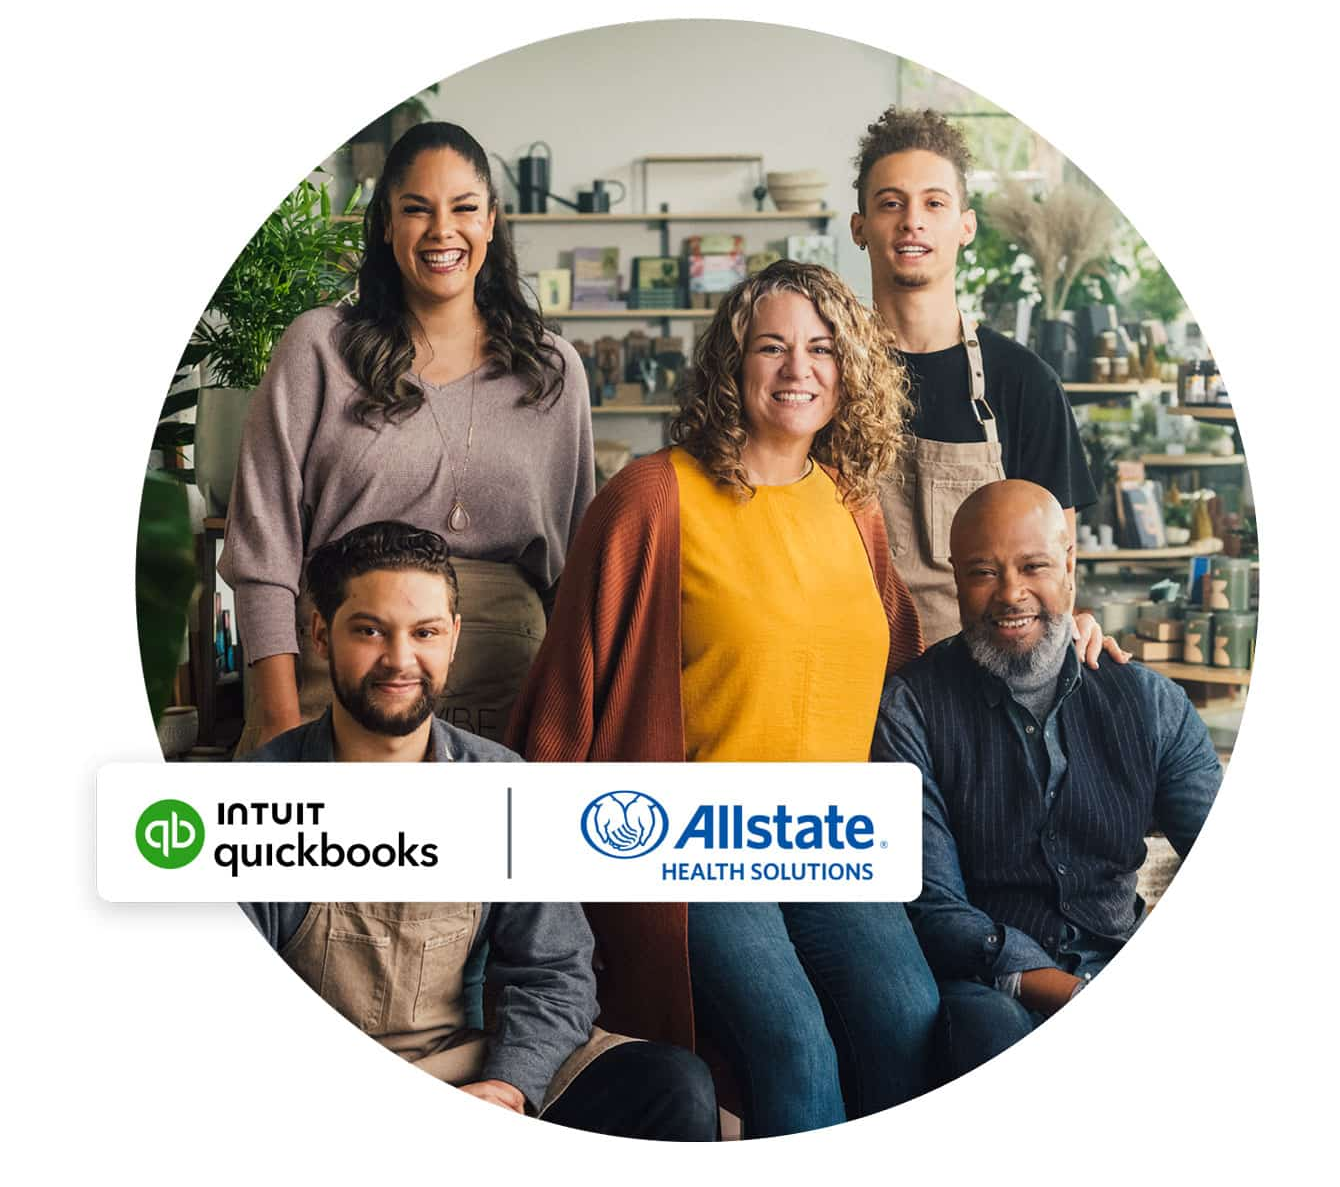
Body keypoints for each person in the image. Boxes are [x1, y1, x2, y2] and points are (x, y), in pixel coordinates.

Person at [509, 261, 939, 1137]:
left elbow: (903, 674)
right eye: (771, 346)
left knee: (910, 1015)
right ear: (730, 364)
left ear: (849, 367)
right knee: (793, 1041)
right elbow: (569, 684)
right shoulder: (652, 496)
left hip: (830, 832)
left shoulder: (853, 510)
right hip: (697, 833)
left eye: (820, 348)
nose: (797, 369)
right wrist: (537, 865)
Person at [242, 520, 717, 1140]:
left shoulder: (500, 782)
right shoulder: (258, 797)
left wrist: (508, 1084)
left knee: (670, 1087)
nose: (400, 660)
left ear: (454, 639)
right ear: (320, 636)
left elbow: (554, 970)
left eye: (425, 633)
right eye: (369, 631)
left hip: (463, 1063)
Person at [220, 120, 594, 754]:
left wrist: (570, 730)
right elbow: (264, 547)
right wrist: (280, 717)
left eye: (464, 209)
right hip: (333, 682)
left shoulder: (552, 370)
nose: (442, 230)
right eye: (416, 209)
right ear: (386, 225)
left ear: (492, 221)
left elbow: (578, 576)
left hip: (509, 691)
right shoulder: (320, 349)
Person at [871, 480, 1221, 1084]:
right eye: (984, 572)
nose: (1011, 594)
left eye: (1033, 566)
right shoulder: (912, 707)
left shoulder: (1150, 703)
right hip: (986, 987)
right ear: (955, 578)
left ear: (1069, 568)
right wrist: (1073, 996)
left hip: (1118, 959)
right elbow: (934, 904)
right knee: (990, 1036)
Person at [851, 106, 1125, 664]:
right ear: (860, 228)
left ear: (965, 226)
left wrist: (1075, 622)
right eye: (890, 203)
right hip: (847, 674)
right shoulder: (824, 374)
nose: (912, 222)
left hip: (981, 689)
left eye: (934, 203)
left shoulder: (1024, 383)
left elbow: (1057, 565)